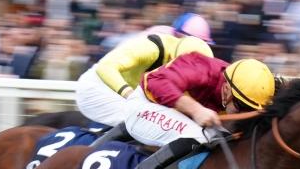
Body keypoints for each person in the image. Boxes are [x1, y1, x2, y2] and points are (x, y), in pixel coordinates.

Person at [106, 55, 275, 169]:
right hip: (142, 107)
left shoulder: (244, 83)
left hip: (172, 112)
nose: (244, 113)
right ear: (227, 90)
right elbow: (155, 81)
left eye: (250, 109)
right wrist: (195, 109)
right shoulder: (201, 68)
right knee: (200, 135)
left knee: (222, 138)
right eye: (241, 106)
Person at [74, 30, 214, 127]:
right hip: (97, 87)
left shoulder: (180, 56)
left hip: (124, 95)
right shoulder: (150, 48)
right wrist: (130, 96)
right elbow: (105, 68)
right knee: (146, 122)